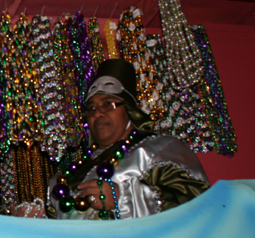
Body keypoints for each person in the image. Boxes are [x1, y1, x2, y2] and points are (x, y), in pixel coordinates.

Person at [47, 59, 209, 220]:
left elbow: (197, 207)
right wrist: (34, 221)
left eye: (108, 104)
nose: (97, 113)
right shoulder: (69, 174)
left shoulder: (158, 150)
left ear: (129, 110)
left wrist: (124, 199)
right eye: (92, 108)